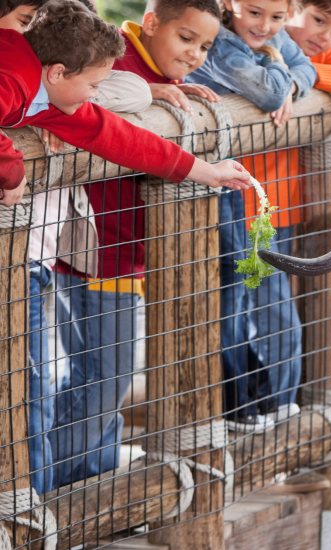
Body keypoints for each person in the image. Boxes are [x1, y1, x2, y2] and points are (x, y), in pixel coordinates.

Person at [0, 0, 251, 485]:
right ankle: (31, 503)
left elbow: (123, 140)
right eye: (94, 85)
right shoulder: (12, 67)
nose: (98, 94)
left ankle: (43, 498)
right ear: (55, 72)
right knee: (26, 384)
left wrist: (209, 172)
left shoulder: (54, 99)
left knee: (31, 382)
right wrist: (10, 161)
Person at [185, 0, 316, 433]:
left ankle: (258, 402)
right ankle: (238, 404)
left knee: (247, 293)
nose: (266, 26)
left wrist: (291, 85)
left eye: (278, 18)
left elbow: (306, 72)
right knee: (232, 293)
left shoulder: (269, 38)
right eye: (255, 12)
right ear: (230, 5)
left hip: (244, 189)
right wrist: (283, 76)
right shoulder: (222, 43)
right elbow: (268, 92)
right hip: (213, 186)